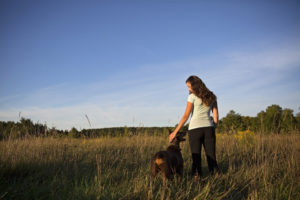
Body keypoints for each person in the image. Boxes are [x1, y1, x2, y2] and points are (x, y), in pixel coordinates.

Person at [169, 75, 219, 180]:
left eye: (189, 87)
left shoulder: (192, 97)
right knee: (211, 156)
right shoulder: (212, 96)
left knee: (196, 157)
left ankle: (197, 179)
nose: (188, 89)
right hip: (209, 129)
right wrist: (213, 125)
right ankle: (216, 177)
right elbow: (215, 115)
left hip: (195, 129)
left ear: (195, 86)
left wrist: (174, 132)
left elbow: (185, 116)